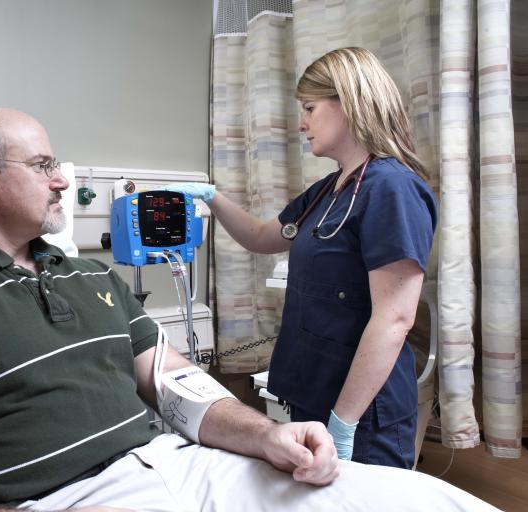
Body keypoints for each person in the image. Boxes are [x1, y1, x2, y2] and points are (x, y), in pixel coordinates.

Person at [0, 106, 494, 512]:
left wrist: (262, 437)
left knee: (427, 501)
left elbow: (174, 381)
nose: (64, 181)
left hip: (184, 467)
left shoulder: (88, 279)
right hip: (64, 500)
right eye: (43, 166)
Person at [169, 47, 437, 470]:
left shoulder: (392, 188)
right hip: (313, 394)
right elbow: (261, 236)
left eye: (310, 108)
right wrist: (211, 197)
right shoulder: (328, 191)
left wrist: (343, 424)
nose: (301, 123)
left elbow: (395, 318)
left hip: (361, 412)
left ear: (349, 102)